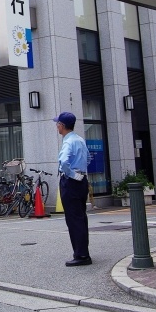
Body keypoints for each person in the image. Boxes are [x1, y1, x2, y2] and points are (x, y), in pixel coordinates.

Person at [53, 111, 92, 267]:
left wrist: (71, 174)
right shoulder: (80, 140)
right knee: (81, 217)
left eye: (58, 124)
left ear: (62, 126)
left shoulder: (68, 142)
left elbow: (63, 162)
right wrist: (80, 172)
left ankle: (81, 255)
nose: (57, 127)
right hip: (82, 181)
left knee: (73, 219)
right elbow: (88, 158)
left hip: (71, 182)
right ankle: (83, 251)